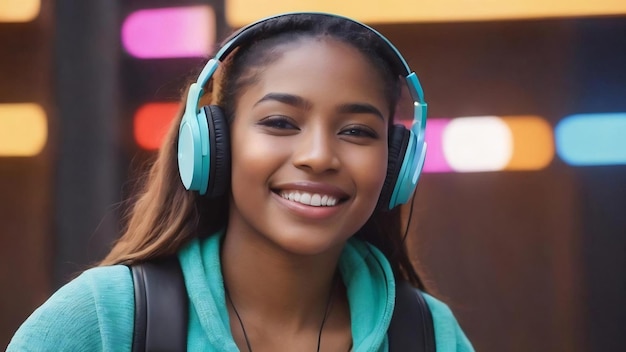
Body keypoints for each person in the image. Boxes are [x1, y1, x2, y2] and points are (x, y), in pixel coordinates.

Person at [8, 12, 473, 351]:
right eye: (280, 122)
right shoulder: (102, 323)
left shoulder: (429, 335)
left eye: (356, 131)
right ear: (213, 143)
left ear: (397, 165)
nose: (318, 157)